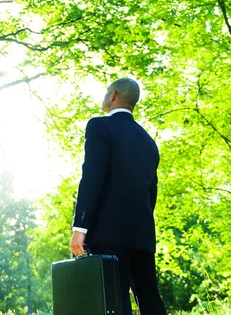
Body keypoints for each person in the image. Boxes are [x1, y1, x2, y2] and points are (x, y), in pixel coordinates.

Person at [69, 78, 167, 315]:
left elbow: (92, 177)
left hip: (108, 233)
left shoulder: (99, 126)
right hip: (142, 233)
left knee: (114, 302)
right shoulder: (148, 141)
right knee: (150, 300)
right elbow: (151, 192)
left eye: (106, 92)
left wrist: (79, 228)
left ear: (113, 95)